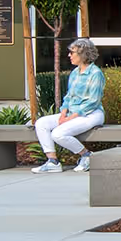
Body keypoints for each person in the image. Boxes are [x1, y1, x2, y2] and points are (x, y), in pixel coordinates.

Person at [35, 38, 106, 174]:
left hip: (91, 114)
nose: (69, 55)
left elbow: (92, 102)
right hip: (72, 113)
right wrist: (63, 114)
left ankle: (87, 156)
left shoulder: (96, 74)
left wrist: (69, 119)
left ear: (83, 54)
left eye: (72, 52)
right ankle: (53, 162)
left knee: (58, 133)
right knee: (41, 123)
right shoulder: (74, 73)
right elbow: (68, 97)